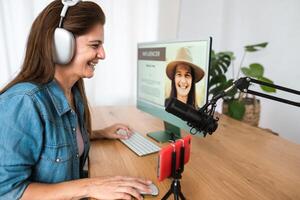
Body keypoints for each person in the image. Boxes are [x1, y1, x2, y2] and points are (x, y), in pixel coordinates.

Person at [0, 1, 152, 199]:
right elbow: (7, 191)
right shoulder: (23, 103)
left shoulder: (72, 91)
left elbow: (55, 141)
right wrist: (89, 186)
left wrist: (99, 133)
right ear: (60, 45)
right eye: (95, 45)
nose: (102, 54)